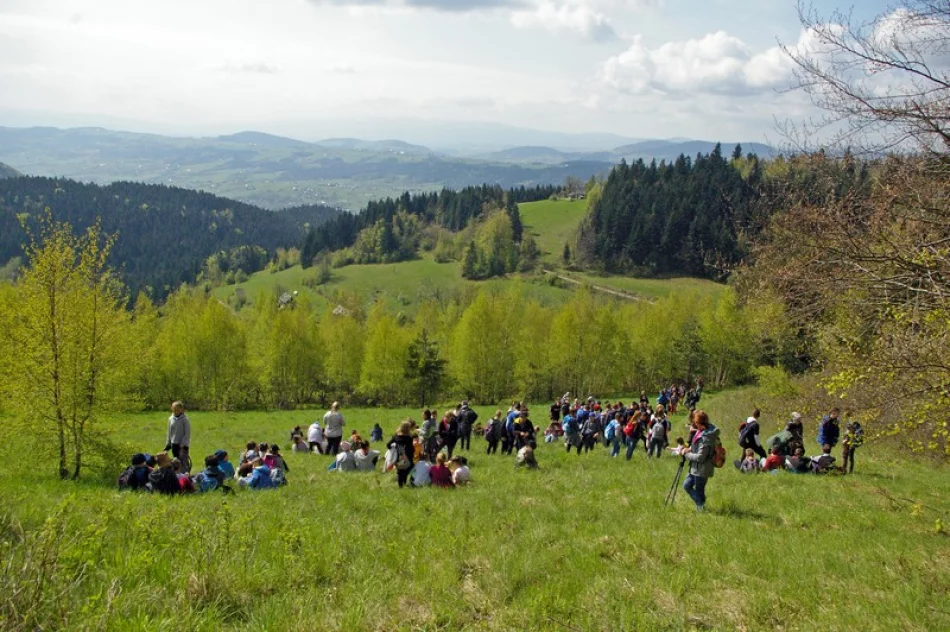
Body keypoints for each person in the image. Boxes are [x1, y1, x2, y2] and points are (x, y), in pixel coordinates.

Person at [676, 410, 720, 512]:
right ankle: (701, 504)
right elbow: (696, 445)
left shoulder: (706, 438)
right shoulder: (702, 431)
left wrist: (686, 454)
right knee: (687, 485)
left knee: (699, 490)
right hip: (695, 467)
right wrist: (689, 449)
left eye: (695, 422)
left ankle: (700, 506)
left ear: (700, 423)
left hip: (703, 469)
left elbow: (701, 457)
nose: (694, 424)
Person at [164, 401, 191, 472]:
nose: (176, 411)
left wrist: (182, 444)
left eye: (178, 410)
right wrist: (168, 443)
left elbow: (187, 433)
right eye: (174, 410)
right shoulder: (170, 419)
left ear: (182, 409)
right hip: (174, 444)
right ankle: (177, 476)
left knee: (183, 461)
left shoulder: (185, 419)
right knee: (176, 461)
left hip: (183, 445)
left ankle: (185, 476)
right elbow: (169, 432)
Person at [387, 421, 416, 488]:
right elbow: (411, 449)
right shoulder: (409, 438)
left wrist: (393, 448)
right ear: (408, 429)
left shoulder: (396, 436)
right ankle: (404, 483)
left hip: (398, 457)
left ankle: (400, 486)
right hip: (407, 458)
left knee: (400, 471)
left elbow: (388, 445)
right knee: (406, 471)